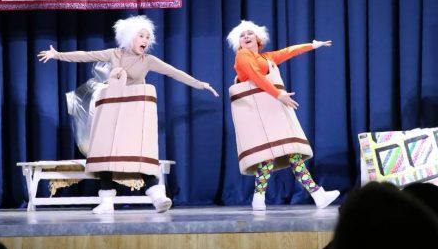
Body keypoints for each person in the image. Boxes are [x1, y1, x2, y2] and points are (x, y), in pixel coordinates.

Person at [38, 15, 218, 214]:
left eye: (148, 37)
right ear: (129, 37)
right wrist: (57, 55)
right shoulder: (114, 54)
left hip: (133, 114)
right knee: (106, 153)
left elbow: (174, 72)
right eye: (141, 36)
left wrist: (200, 84)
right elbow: (86, 55)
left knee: (139, 152)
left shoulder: (148, 60)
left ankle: (157, 195)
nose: (145, 40)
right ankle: (106, 202)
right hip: (111, 110)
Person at [226, 20, 339, 210]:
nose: (246, 37)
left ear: (258, 38)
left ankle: (316, 194)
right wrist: (279, 94)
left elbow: (288, 51)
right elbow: (255, 76)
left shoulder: (266, 57)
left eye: (250, 33)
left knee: (291, 153)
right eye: (242, 35)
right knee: (268, 155)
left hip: (272, 112)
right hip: (260, 115)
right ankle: (260, 198)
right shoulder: (242, 55)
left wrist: (312, 45)